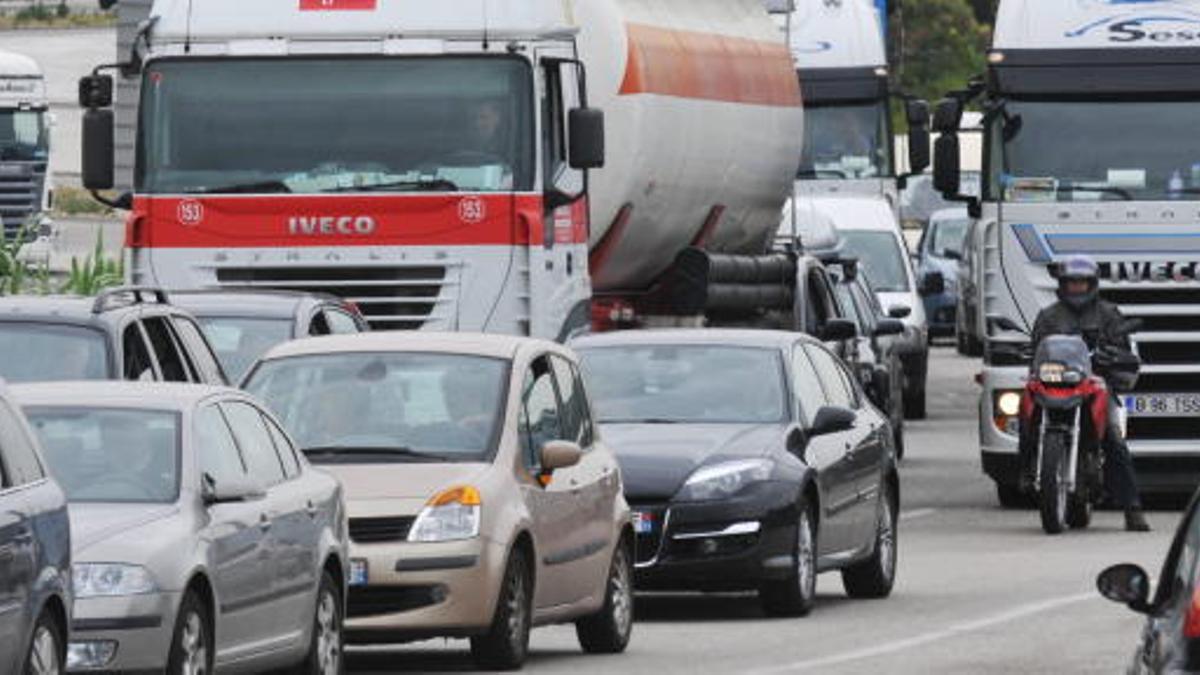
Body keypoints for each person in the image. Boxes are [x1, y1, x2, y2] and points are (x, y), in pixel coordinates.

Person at [1024, 255, 1150, 532]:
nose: (1077, 288)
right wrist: (1030, 359)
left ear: (1092, 284)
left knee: (1114, 440)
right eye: (1072, 283)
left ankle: (1133, 509)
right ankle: (1026, 469)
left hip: (1095, 384)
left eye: (1082, 283)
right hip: (1058, 383)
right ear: (1062, 285)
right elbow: (1035, 353)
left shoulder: (1108, 314)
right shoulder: (1049, 316)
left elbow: (1125, 348)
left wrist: (1113, 354)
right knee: (1027, 416)